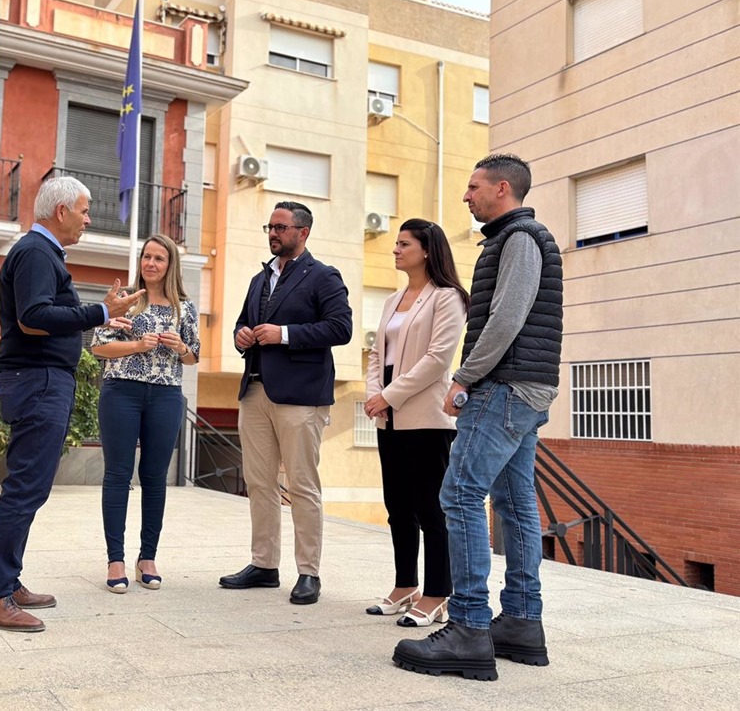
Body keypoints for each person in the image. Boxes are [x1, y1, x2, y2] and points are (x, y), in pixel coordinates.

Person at [394, 154, 563, 681]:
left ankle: (468, 627)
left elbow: (508, 317)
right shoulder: (513, 238)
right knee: (514, 503)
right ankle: (520, 622)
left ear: (502, 189)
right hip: (524, 388)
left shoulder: (520, 239)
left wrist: (465, 377)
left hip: (505, 386)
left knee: (460, 494)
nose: (466, 196)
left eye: (473, 187)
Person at [0, 176, 144, 633]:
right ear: (61, 210)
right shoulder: (34, 252)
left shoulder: (41, 254)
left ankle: (7, 581)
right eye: (84, 210)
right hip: (38, 382)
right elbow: (33, 319)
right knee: (26, 488)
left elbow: (46, 313)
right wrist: (103, 313)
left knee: (30, 487)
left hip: (43, 382)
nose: (89, 219)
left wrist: (102, 313)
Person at [219, 201, 352, 605]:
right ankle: (264, 564)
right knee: (259, 481)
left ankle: (309, 572)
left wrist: (285, 334)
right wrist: (241, 335)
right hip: (256, 390)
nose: (273, 233)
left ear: (303, 232)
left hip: (300, 396)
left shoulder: (324, 276)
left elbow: (341, 327)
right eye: (270, 227)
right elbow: (244, 321)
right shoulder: (261, 278)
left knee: (301, 484)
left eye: (280, 227)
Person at [364, 219, 468, 628]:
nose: (395, 249)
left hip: (426, 417)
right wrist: (377, 395)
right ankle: (405, 585)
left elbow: (438, 360)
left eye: (403, 244)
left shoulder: (448, 298)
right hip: (388, 417)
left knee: (431, 509)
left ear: (426, 250)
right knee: (398, 507)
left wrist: (387, 395)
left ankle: (438, 593)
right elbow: (376, 354)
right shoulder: (392, 299)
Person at [91, 234, 200, 593]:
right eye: (146, 257)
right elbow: (99, 348)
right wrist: (137, 345)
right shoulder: (124, 303)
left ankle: (148, 558)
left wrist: (181, 346)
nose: (151, 263)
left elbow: (193, 356)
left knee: (155, 477)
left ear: (171, 266)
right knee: (118, 475)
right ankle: (116, 560)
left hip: (166, 395)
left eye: (159, 259)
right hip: (122, 391)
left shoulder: (184, 308)